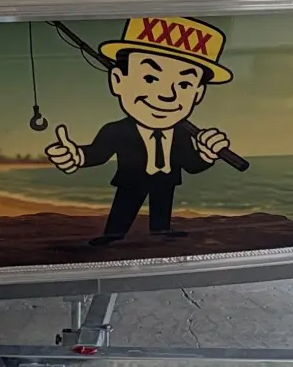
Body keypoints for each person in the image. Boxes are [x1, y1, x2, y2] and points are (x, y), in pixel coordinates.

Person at [45, 14, 235, 244]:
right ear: (118, 80)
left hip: (166, 178)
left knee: (163, 202)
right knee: (124, 205)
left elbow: (192, 164)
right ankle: (113, 234)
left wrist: (207, 155)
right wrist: (76, 156)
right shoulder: (116, 130)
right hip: (131, 179)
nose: (167, 95)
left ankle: (161, 229)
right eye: (150, 79)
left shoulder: (182, 134)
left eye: (184, 84)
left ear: (198, 94)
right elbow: (98, 154)